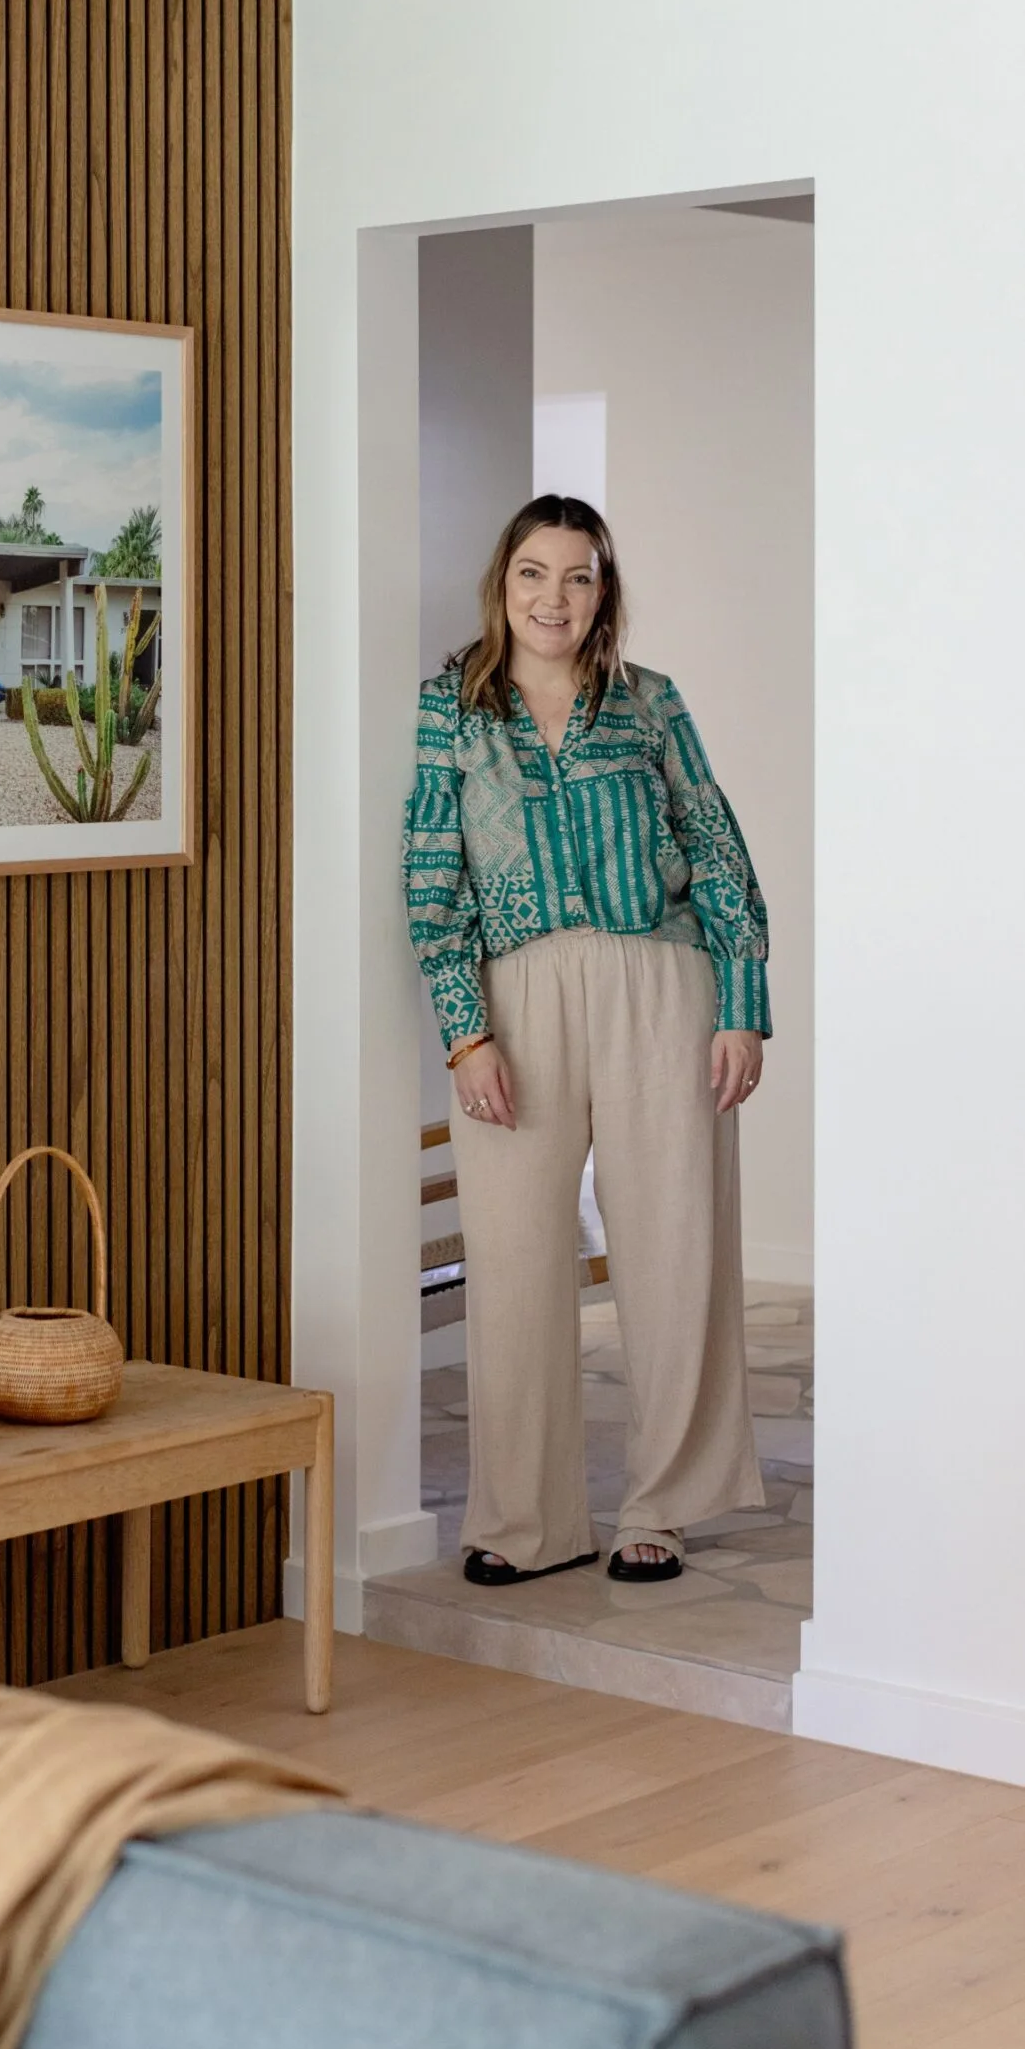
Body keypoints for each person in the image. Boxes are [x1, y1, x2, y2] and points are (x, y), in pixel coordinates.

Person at [402, 496, 769, 1586]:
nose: (553, 597)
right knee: (513, 1258)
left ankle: (665, 1505)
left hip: (661, 980)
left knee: (674, 1246)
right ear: (502, 582)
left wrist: (741, 1004)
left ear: (602, 590)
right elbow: (430, 870)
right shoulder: (451, 708)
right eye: (533, 572)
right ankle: (525, 1521)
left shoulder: (651, 701)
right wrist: (465, 1034)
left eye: (577, 576)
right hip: (516, 994)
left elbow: (716, 846)